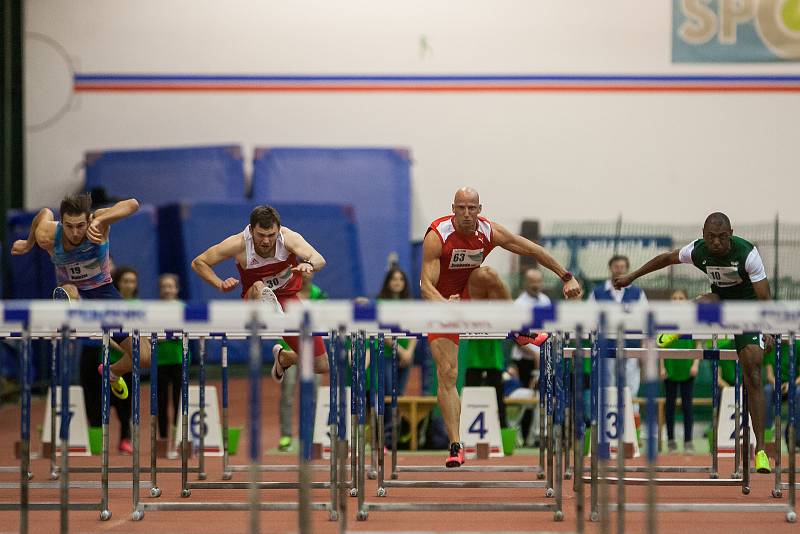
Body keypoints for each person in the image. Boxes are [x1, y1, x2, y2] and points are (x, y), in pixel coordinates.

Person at [421, 187, 582, 467]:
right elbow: (426, 285)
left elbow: (532, 249)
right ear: (453, 208)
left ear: (480, 209)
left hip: (470, 295)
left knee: (490, 274)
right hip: (442, 304)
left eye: (472, 208)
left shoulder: (488, 231)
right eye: (462, 208)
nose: (467, 214)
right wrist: (446, 306)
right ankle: (456, 445)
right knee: (448, 374)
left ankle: (518, 329)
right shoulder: (438, 235)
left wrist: (566, 276)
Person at [613, 212, 774, 473]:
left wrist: (770, 329)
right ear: (703, 234)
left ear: (731, 234)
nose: (717, 243)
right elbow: (665, 258)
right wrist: (631, 277)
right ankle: (678, 326)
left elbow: (765, 297)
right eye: (711, 237)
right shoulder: (698, 250)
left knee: (753, 374)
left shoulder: (748, 255)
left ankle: (761, 451)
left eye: (722, 237)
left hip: (748, 312)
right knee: (705, 301)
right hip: (718, 303)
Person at [11, 193, 150, 399]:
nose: (75, 232)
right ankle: (68, 315)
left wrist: (101, 220)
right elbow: (44, 213)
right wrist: (29, 243)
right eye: (69, 226)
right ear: (62, 223)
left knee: (145, 357)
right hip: (71, 288)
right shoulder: (47, 235)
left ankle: (110, 372)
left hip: (103, 293)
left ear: (88, 219)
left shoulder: (99, 224)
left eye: (80, 226)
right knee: (70, 291)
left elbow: (133, 203)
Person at [191, 205, 329, 381]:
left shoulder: (288, 238)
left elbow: (319, 259)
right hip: (254, 299)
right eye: (261, 235)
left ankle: (284, 357)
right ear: (251, 230)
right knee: (259, 286)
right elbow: (199, 263)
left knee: (321, 365)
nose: (266, 241)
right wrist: (219, 283)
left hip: (287, 300)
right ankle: (270, 313)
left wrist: (309, 264)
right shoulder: (239, 243)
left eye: (271, 235)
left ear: (278, 230)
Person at [276, 270, 328, 451]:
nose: (306, 275)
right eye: (302, 271)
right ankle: (285, 436)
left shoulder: (319, 295)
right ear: (294, 272)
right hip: (289, 346)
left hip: (314, 349)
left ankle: (309, 434)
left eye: (309, 271)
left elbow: (324, 321)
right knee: (287, 394)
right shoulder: (285, 292)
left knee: (313, 395)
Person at [590, 255, 647, 401]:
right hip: (606, 346)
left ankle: (632, 421)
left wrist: (644, 346)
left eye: (623, 267)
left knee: (630, 386)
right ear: (610, 268)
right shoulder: (597, 292)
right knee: (607, 385)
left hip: (631, 345)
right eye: (616, 267)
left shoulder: (638, 292)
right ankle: (607, 419)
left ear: (627, 269)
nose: (619, 270)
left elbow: (645, 319)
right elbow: (590, 318)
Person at [511, 267, 550, 446]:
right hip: (524, 360)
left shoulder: (545, 301)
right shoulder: (519, 304)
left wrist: (544, 353)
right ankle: (524, 436)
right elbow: (516, 336)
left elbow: (549, 329)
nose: (535, 285)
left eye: (538, 281)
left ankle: (538, 436)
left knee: (544, 398)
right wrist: (534, 354)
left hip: (544, 357)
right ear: (525, 283)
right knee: (527, 399)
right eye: (532, 281)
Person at [657, 289, 699, 452]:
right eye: (674, 298)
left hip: (687, 367)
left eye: (681, 298)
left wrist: (695, 364)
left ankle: (688, 441)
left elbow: (698, 343)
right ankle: (671, 441)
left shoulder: (692, 320)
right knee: (670, 406)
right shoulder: (665, 319)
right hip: (670, 367)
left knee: (688, 406)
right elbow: (659, 343)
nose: (678, 300)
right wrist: (661, 366)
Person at [156, 273, 185, 457]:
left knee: (178, 402)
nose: (168, 289)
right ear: (160, 290)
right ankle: (164, 442)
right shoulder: (155, 310)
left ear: (176, 289)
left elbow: (188, 331)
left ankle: (177, 442)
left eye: (171, 286)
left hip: (179, 361)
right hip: (159, 362)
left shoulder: (183, 308)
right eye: (164, 286)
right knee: (160, 403)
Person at [763, 337, 800, 447]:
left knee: (799, 392)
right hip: (776, 385)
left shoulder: (797, 345)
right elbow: (769, 375)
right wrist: (777, 384)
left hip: (794, 385)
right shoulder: (771, 346)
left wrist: (791, 384)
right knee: (767, 390)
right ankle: (767, 433)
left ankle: (796, 436)